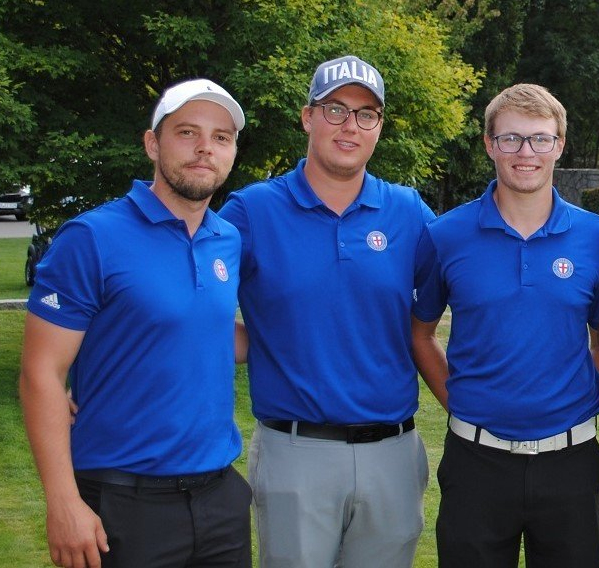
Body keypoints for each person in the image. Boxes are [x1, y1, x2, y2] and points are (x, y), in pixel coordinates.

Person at [218, 55, 437, 568]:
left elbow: (477, 285)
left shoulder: (408, 212)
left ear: (379, 127)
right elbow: (185, 301)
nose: (349, 126)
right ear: (307, 116)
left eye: (366, 114)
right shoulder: (252, 211)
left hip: (393, 452)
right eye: (335, 109)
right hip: (296, 451)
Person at [21, 79, 249, 568]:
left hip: (220, 498)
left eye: (221, 137)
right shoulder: (92, 237)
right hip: (123, 502)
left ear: (231, 153)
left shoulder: (226, 238)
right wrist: (63, 504)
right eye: (187, 132)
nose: (205, 148)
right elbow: (40, 373)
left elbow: (205, 331)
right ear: (152, 143)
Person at [411, 83, 599, 567]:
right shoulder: (445, 235)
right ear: (489, 145)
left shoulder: (596, 237)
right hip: (475, 462)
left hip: (571, 460)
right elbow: (419, 334)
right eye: (511, 139)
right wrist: (459, 400)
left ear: (559, 145)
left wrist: (573, 391)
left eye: (540, 139)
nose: (526, 152)